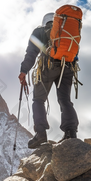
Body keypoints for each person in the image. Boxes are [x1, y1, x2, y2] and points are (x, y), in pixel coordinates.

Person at [19, 12, 79, 148]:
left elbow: (31, 52)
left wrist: (23, 71)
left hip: (48, 66)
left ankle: (41, 134)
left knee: (39, 100)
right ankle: (71, 132)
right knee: (64, 100)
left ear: (44, 21)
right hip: (68, 67)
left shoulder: (39, 31)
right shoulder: (66, 33)